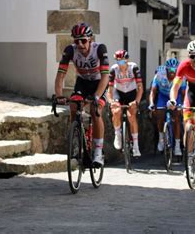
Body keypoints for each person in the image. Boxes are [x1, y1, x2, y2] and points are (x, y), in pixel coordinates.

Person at [54, 22, 109, 166]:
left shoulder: (99, 49)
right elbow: (61, 75)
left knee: (95, 111)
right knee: (74, 105)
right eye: (76, 41)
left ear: (90, 40)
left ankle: (98, 152)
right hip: (83, 82)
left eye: (83, 40)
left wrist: (96, 96)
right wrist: (58, 95)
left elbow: (105, 76)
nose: (80, 44)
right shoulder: (70, 51)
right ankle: (76, 139)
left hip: (99, 83)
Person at [107, 50, 143, 157]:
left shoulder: (134, 68)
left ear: (127, 60)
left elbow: (140, 87)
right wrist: (111, 102)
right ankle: (117, 134)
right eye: (118, 62)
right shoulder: (114, 69)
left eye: (122, 62)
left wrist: (136, 102)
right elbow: (109, 90)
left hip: (131, 93)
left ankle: (136, 146)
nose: (120, 65)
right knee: (116, 111)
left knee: (131, 116)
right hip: (119, 93)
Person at [148, 58, 186, 156]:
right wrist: (151, 103)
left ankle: (177, 146)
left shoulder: (181, 76)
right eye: (170, 70)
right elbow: (153, 91)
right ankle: (161, 139)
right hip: (163, 96)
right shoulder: (159, 75)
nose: (172, 72)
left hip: (176, 96)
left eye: (174, 70)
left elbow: (183, 93)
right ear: (166, 69)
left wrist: (183, 105)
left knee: (176, 119)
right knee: (159, 116)